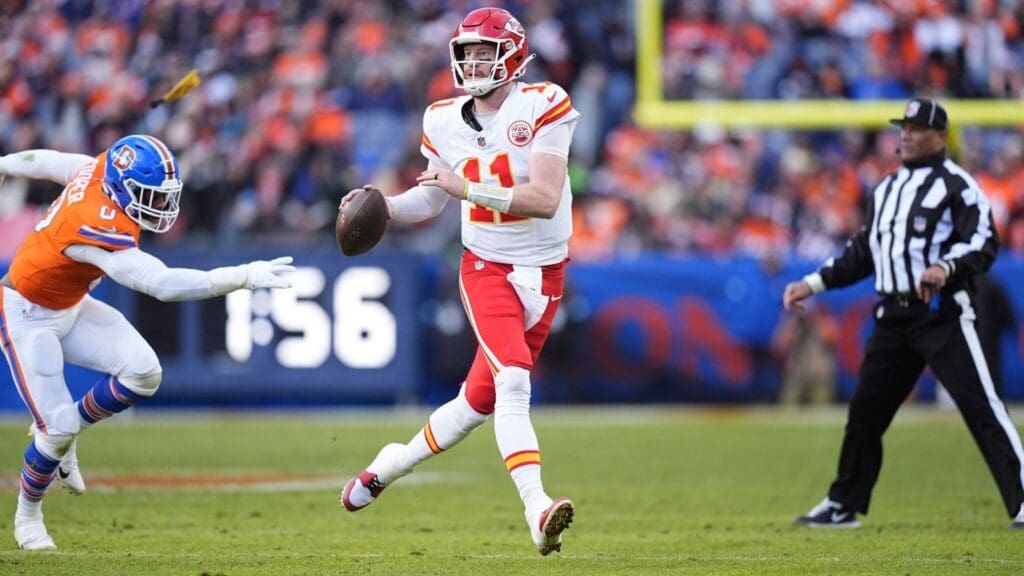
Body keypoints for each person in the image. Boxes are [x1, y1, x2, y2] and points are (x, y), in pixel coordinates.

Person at [337, 7, 579, 555]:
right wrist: (384, 207)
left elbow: (542, 199)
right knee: (514, 381)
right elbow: (430, 196)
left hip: (546, 272)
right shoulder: (442, 118)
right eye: (466, 52)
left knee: (475, 405)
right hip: (486, 265)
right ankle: (537, 508)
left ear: (513, 57)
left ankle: (385, 466)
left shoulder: (544, 104)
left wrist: (464, 189)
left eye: (484, 51)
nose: (473, 61)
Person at [0, 135, 295, 550]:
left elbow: (52, 161)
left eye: (162, 197)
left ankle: (68, 436)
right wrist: (243, 275)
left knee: (143, 373)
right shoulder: (93, 223)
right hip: (26, 314)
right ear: (122, 187)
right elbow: (161, 283)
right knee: (57, 426)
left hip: (69, 304)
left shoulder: (101, 169)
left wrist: (6, 163)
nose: (159, 207)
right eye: (148, 196)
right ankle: (27, 516)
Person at [783, 98, 1024, 529]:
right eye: (903, 127)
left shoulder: (959, 186)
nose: (905, 134)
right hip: (894, 316)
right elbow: (862, 253)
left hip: (941, 313)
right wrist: (813, 283)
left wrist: (945, 268)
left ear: (939, 136)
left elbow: (983, 242)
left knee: (981, 407)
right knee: (865, 412)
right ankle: (843, 503)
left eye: (915, 128)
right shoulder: (887, 188)